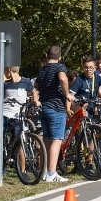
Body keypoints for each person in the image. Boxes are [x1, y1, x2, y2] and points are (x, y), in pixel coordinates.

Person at [0, 66, 37, 178]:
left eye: (5, 71)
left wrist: (35, 101)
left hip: (17, 118)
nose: (4, 73)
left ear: (9, 70)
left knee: (20, 144)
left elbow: (33, 91)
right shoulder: (6, 84)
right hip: (4, 116)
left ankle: (23, 172)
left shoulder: (26, 82)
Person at [34, 45, 72, 183]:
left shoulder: (43, 69)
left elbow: (36, 86)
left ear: (46, 56)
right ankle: (51, 173)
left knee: (47, 140)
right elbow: (63, 79)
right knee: (57, 140)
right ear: (60, 57)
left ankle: (44, 171)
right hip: (56, 107)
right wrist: (67, 94)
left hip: (44, 107)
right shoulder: (59, 67)